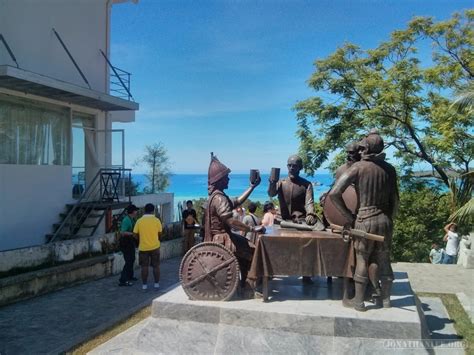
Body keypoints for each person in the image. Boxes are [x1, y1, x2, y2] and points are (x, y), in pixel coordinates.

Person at [329, 130, 399, 311]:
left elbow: (335, 193)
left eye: (362, 148)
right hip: (384, 221)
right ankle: (386, 301)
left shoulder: (358, 167)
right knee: (384, 260)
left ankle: (359, 302)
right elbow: (395, 201)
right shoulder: (390, 169)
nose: (359, 151)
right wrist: (389, 219)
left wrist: (348, 216)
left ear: (367, 149)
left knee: (362, 260)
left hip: (363, 220)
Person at [205, 153, 264, 291]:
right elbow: (231, 221)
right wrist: (252, 229)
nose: (229, 179)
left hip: (222, 236)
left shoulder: (218, 197)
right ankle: (250, 288)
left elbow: (237, 201)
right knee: (254, 253)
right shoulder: (220, 199)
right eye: (226, 177)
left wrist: (252, 187)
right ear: (219, 180)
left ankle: (244, 284)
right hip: (223, 239)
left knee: (248, 253)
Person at [268, 154, 318, 225]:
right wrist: (272, 183)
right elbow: (271, 194)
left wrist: (310, 214)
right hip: (281, 220)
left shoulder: (306, 184)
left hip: (299, 221)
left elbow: (309, 202)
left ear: (300, 167)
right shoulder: (281, 182)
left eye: (294, 166)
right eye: (289, 165)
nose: (291, 168)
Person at [133, 203, 163, 291]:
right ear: (153, 210)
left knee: (144, 267)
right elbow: (160, 233)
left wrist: (140, 240)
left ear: (144, 210)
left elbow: (134, 234)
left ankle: (144, 286)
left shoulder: (139, 221)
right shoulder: (157, 220)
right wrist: (157, 240)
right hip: (155, 246)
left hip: (143, 247)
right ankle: (156, 285)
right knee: (156, 266)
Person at [118, 204, 139, 287]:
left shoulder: (131, 219)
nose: (137, 212)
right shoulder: (126, 220)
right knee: (128, 261)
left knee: (132, 259)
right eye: (136, 210)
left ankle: (130, 276)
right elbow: (122, 232)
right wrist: (132, 234)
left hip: (130, 242)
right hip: (125, 243)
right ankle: (123, 280)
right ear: (133, 211)